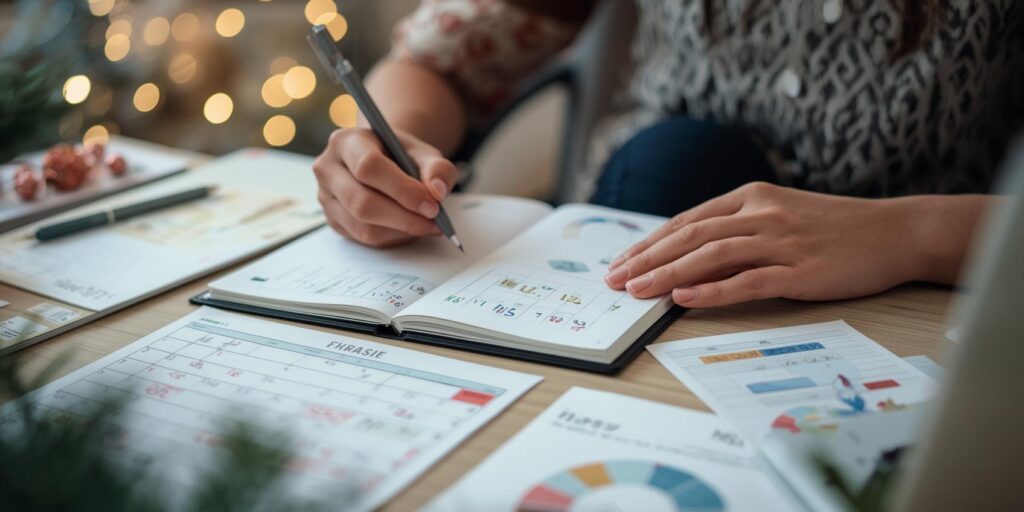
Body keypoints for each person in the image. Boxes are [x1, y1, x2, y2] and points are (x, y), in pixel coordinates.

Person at [312, 0, 1023, 308]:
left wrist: (910, 233)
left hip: (921, 301)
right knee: (677, 160)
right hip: (626, 252)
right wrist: (389, 141)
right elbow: (439, 63)